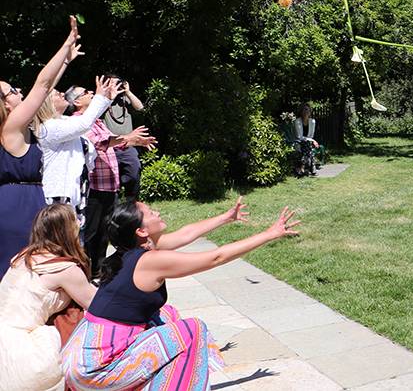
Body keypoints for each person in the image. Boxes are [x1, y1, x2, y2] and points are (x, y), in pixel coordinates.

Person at [62, 197, 300, 391]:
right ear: (142, 231)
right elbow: (216, 257)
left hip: (82, 356)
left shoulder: (130, 252)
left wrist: (227, 217)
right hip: (96, 368)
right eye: (149, 212)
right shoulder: (150, 260)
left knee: (167, 314)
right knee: (192, 330)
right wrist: (270, 234)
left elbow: (187, 233)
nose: (156, 212)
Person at [1, 16, 82, 281]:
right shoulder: (10, 128)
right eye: (12, 90)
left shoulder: (14, 127)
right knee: (23, 272)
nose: (19, 90)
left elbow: (46, 89)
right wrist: (66, 41)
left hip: (22, 203)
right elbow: (42, 85)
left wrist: (66, 59)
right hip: (19, 210)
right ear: (5, 105)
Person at [0, 203, 97, 391]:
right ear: (65, 230)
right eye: (74, 219)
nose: (78, 222)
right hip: (21, 350)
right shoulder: (65, 269)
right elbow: (96, 304)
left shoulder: (22, 257)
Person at [65, 82, 157, 277]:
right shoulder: (78, 120)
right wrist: (127, 137)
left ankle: (98, 271)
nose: (91, 93)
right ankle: (84, 273)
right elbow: (98, 142)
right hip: (95, 185)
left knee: (103, 232)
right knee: (90, 232)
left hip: (109, 186)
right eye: (86, 92)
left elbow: (114, 142)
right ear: (77, 101)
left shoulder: (97, 120)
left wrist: (135, 141)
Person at [34, 76, 120, 232]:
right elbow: (84, 124)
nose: (62, 94)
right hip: (57, 197)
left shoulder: (65, 121)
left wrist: (106, 99)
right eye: (57, 93)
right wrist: (100, 97)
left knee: (76, 239)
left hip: (73, 194)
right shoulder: (49, 128)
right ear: (47, 104)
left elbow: (86, 122)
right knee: (63, 240)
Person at [102, 75, 147, 199]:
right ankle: (112, 205)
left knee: (134, 171)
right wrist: (108, 95)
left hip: (128, 145)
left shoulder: (125, 100)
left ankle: (131, 203)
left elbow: (140, 108)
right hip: (109, 146)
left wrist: (128, 91)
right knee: (111, 177)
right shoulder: (102, 101)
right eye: (113, 84)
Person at [294, 103, 320, 177]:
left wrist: (311, 140)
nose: (306, 111)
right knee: (308, 146)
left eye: (308, 109)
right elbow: (299, 137)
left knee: (307, 145)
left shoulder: (312, 122)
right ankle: (312, 169)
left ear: (310, 112)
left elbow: (311, 135)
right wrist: (313, 141)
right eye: (304, 109)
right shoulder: (297, 122)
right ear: (301, 111)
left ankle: (302, 167)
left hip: (307, 144)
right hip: (298, 143)